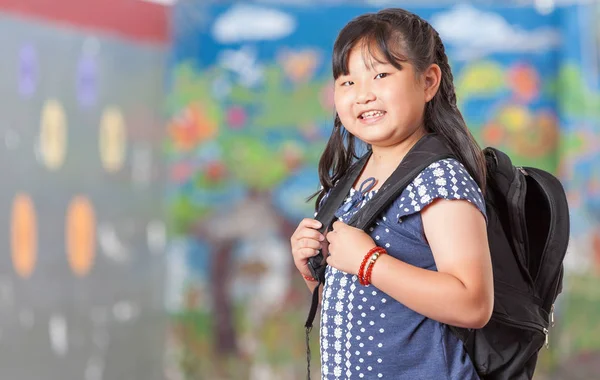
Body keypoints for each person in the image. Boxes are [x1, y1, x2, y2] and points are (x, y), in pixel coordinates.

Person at [289, 8, 494, 380]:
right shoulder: (349, 183)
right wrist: (313, 271)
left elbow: (473, 303)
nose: (363, 95)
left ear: (428, 81)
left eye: (381, 75)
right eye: (347, 82)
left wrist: (368, 261)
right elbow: (364, 301)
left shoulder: (439, 179)